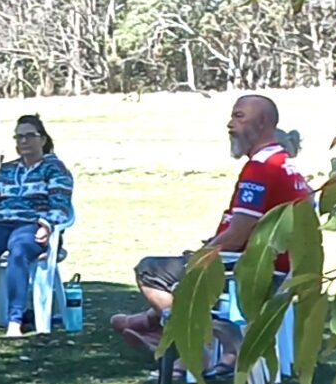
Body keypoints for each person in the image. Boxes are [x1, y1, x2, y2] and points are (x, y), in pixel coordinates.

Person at [111, 92, 317, 360]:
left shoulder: (261, 168)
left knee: (150, 271)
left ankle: (202, 346)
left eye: (239, 117)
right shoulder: (286, 165)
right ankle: (149, 325)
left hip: (255, 270)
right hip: (279, 266)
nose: (230, 124)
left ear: (263, 122)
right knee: (183, 274)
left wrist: (204, 253)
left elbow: (238, 234)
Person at [0, 114, 76, 335]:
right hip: (1, 224)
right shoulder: (7, 170)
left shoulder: (55, 169)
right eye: (19, 137)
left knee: (19, 250)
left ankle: (15, 320)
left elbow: (61, 204)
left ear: (42, 139)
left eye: (29, 136)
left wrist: (47, 225)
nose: (23, 142)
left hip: (33, 224)